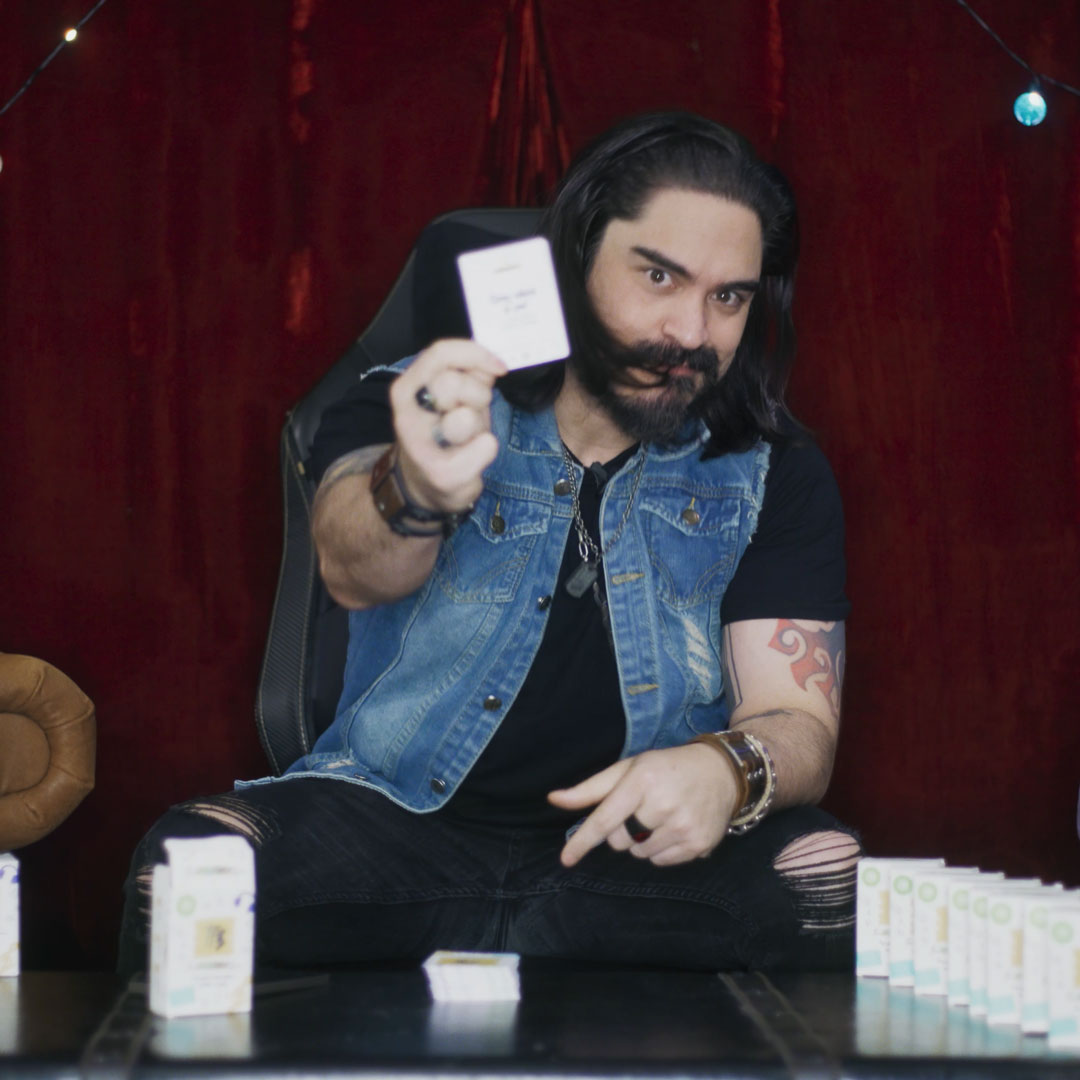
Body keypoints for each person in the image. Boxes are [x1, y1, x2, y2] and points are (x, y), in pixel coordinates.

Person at [119, 111, 860, 976]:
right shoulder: (414, 404)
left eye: (728, 297)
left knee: (824, 876)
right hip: (396, 828)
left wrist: (728, 771)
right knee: (185, 873)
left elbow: (798, 723)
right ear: (576, 257)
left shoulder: (772, 473)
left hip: (626, 856)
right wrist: (418, 489)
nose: (693, 332)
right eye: (659, 275)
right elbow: (352, 566)